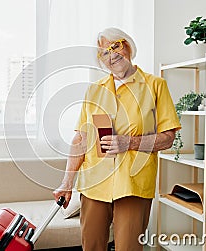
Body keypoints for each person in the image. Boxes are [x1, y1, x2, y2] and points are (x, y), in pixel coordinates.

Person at [53, 27, 181, 251]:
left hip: (133, 184)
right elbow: (80, 140)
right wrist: (66, 183)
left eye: (115, 46)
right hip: (94, 184)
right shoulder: (94, 90)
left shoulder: (155, 86)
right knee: (91, 246)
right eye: (104, 53)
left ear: (128, 46)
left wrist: (128, 143)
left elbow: (168, 138)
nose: (111, 55)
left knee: (129, 247)